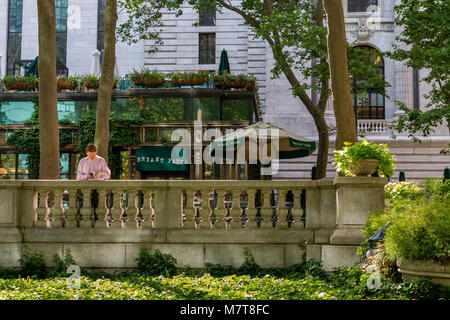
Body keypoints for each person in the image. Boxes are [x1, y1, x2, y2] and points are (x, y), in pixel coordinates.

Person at [76, 144, 111, 224]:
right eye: (89, 155)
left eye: (93, 155)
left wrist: (100, 174)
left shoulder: (101, 160)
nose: (92, 157)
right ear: (86, 153)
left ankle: (98, 223)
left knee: (98, 207)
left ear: (96, 152)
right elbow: (78, 176)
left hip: (98, 188)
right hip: (86, 188)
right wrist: (87, 176)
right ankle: (85, 223)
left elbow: (108, 174)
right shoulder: (82, 161)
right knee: (85, 207)